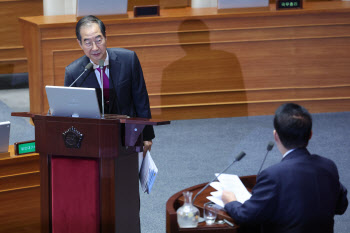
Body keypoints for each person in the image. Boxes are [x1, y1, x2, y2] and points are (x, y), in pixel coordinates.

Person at [222, 103, 348, 233]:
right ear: (310, 134)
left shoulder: (273, 175)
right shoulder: (328, 165)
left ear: (276, 135)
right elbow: (341, 206)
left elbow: (246, 216)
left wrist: (230, 202)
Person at [64, 15, 154, 154]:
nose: (95, 47)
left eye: (98, 40)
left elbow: (141, 99)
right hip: (94, 138)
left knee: (128, 173)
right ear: (79, 43)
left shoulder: (128, 60)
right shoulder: (74, 73)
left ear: (106, 36)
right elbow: (71, 111)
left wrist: (147, 135)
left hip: (129, 132)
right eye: (87, 42)